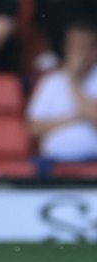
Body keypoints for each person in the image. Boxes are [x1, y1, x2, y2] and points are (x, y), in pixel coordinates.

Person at [27, 21, 97, 167]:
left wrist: (73, 80)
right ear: (66, 48)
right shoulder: (51, 81)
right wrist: (74, 118)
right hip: (52, 161)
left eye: (84, 46)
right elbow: (33, 127)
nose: (79, 53)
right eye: (75, 46)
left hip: (92, 160)